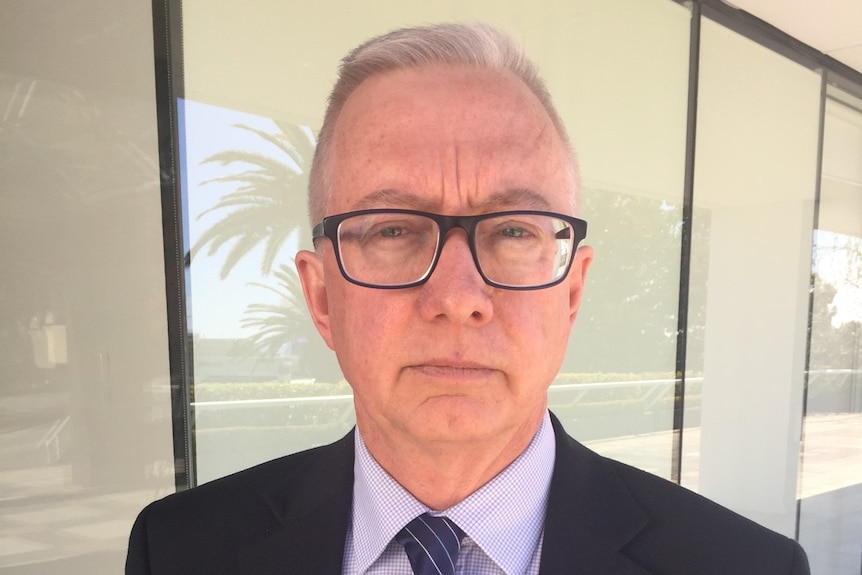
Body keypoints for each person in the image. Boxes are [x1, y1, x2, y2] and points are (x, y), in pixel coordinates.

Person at [126, 23, 810, 575]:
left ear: (571, 291)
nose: (457, 297)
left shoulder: (747, 564)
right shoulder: (180, 549)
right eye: (393, 228)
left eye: (513, 230)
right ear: (322, 297)